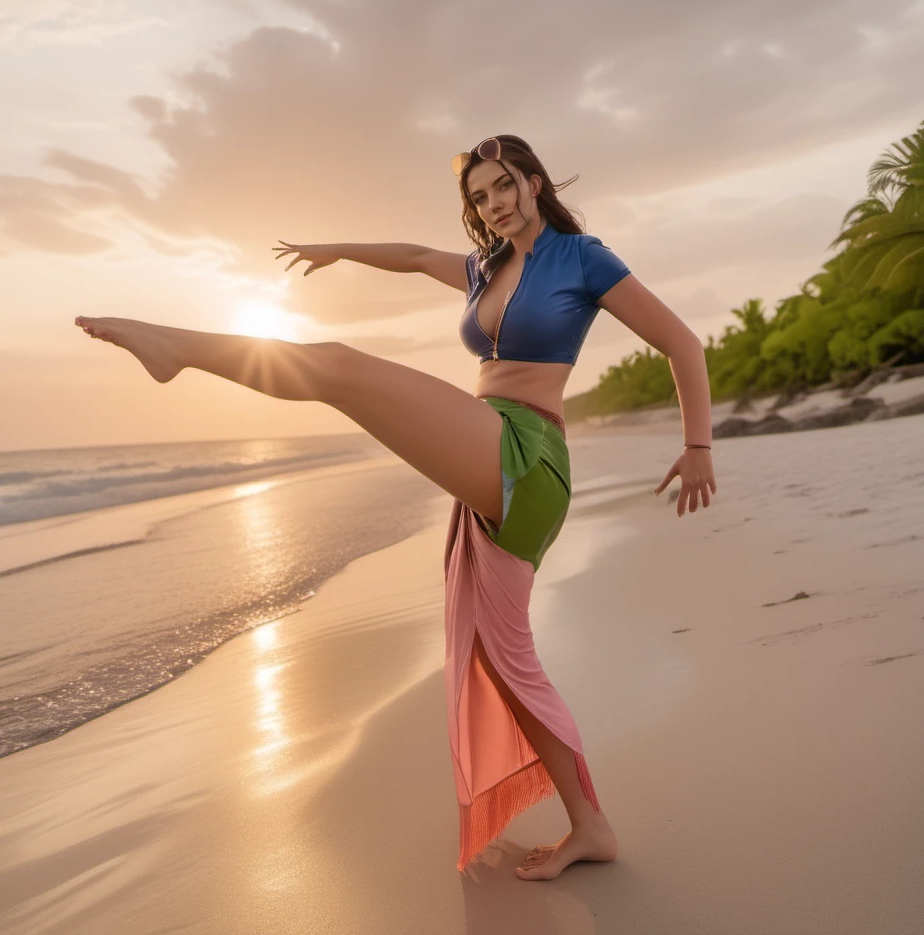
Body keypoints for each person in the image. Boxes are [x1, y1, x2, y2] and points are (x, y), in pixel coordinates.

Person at [74, 133, 717, 880]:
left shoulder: (584, 258)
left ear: (535, 183)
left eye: (504, 186)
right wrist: (338, 249)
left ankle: (177, 348)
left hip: (529, 456)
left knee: (341, 368)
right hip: (490, 449)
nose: (493, 205)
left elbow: (681, 342)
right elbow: (415, 255)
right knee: (505, 662)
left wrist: (698, 445)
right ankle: (591, 827)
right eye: (479, 197)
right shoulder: (487, 267)